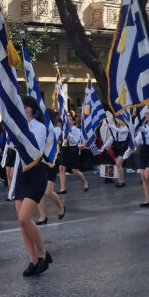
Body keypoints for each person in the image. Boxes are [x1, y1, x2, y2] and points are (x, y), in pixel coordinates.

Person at [13, 96, 53, 277]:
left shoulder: (40, 127)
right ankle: (33, 259)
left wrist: (20, 132)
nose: (23, 108)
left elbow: (34, 150)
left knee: (24, 218)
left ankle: (43, 253)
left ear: (30, 109)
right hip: (21, 174)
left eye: (25, 106)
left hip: (36, 173)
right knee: (23, 224)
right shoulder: (16, 126)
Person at [36, 111, 65, 224]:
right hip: (40, 161)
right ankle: (43, 216)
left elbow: (51, 139)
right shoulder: (40, 128)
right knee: (38, 190)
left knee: (48, 191)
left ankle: (61, 207)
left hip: (51, 161)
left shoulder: (56, 129)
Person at [58, 114, 89, 193]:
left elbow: (75, 141)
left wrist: (69, 134)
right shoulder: (63, 130)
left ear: (73, 121)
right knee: (61, 169)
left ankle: (85, 182)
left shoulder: (76, 130)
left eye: (70, 120)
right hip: (65, 149)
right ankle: (63, 188)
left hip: (73, 150)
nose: (68, 121)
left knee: (75, 171)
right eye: (67, 120)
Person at [100, 115, 130, 187]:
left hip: (123, 147)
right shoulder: (116, 128)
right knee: (118, 165)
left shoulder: (126, 128)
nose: (118, 122)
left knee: (119, 163)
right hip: (117, 147)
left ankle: (121, 181)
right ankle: (121, 180)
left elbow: (119, 131)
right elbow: (111, 139)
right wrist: (103, 147)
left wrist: (111, 126)